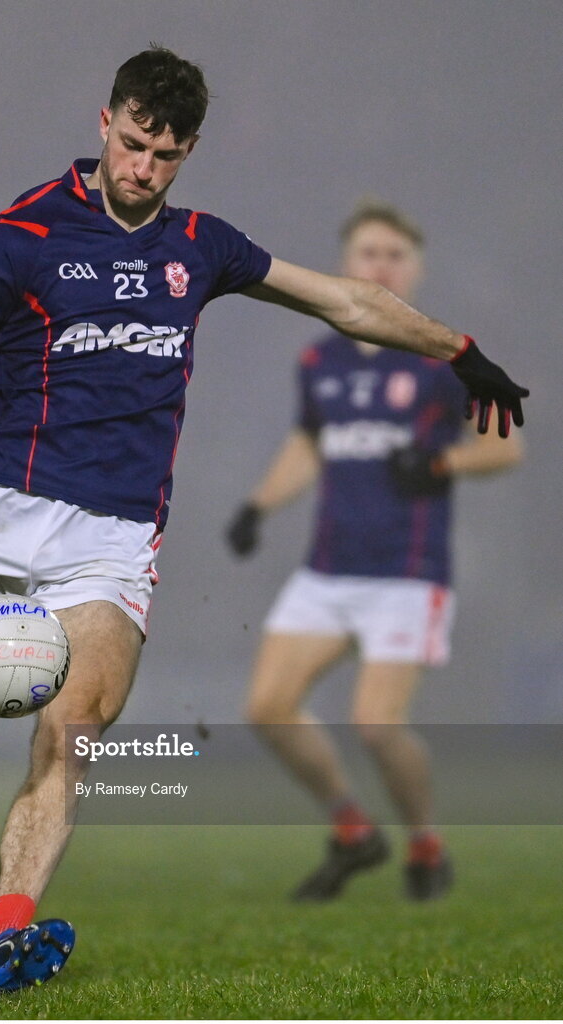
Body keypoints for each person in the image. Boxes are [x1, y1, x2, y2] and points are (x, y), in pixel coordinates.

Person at [0, 48, 528, 995]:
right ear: (104, 122)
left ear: (188, 149)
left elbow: (342, 300)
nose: (142, 170)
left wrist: (459, 349)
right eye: (131, 145)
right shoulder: (24, 236)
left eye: (164, 155)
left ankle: (1, 936)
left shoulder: (201, 246)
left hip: (112, 536)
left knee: (76, 729)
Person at [225, 199, 524, 902]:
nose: (380, 265)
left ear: (415, 271)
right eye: (368, 254)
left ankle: (425, 843)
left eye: (394, 255)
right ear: (346, 265)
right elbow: (308, 441)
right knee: (267, 707)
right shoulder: (319, 357)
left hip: (407, 573)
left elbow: (504, 446)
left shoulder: (444, 359)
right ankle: (355, 831)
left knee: (375, 724)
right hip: (327, 568)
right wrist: (258, 505)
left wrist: (441, 465)